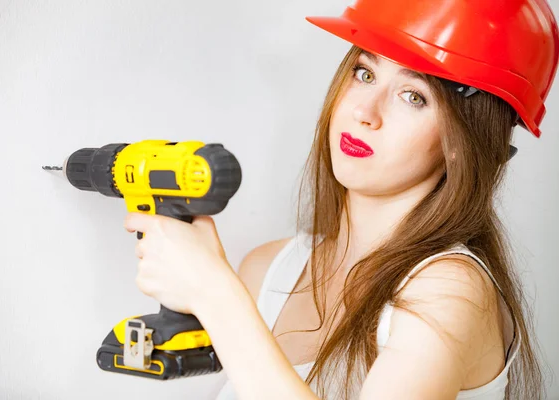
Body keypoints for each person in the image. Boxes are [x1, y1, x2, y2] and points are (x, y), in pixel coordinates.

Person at [124, 1, 559, 399]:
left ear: (464, 142)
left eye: (414, 96)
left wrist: (214, 293)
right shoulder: (268, 270)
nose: (365, 111)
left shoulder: (449, 291)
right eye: (365, 73)